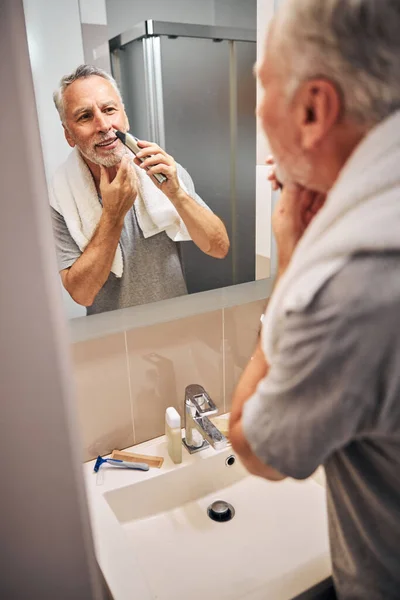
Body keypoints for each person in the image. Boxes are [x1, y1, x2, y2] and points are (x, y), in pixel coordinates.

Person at [229, 1, 400, 598]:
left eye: (261, 88)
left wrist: (292, 266)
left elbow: (255, 448)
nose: (257, 112)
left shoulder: (348, 290)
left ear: (312, 110)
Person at [50, 64, 229, 315]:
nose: (103, 125)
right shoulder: (60, 198)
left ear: (125, 117)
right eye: (85, 116)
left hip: (175, 328)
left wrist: (176, 193)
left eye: (109, 109)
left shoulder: (162, 170)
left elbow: (219, 247)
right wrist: (113, 215)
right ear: (69, 135)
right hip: (111, 342)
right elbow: (81, 294)